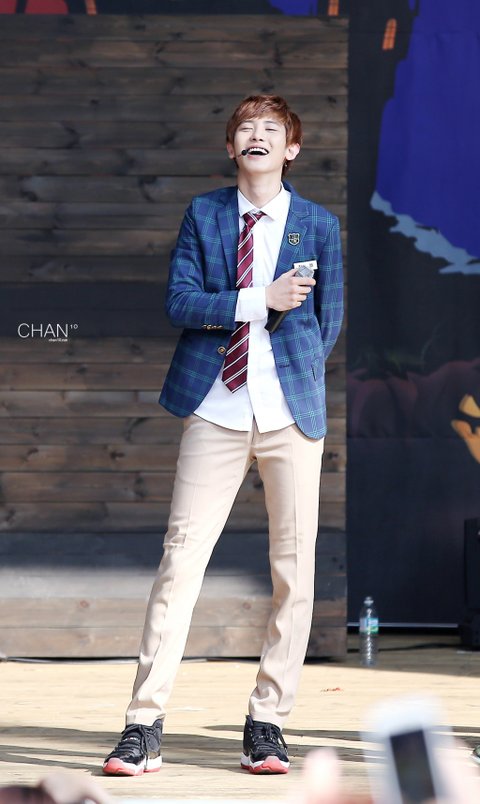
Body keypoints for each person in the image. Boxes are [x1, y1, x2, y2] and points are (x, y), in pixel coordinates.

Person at [102, 94, 343, 777]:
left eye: (272, 129)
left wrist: (294, 374)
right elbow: (180, 302)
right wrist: (257, 301)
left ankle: (268, 721)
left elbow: (328, 321)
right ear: (231, 147)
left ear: (291, 149)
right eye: (246, 128)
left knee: (294, 570)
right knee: (180, 561)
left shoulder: (317, 225)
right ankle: (143, 724)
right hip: (215, 406)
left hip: (291, 413)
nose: (257, 135)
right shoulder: (205, 214)